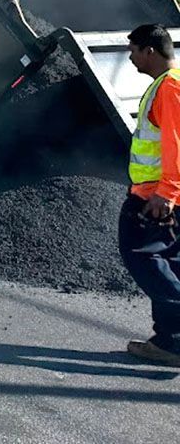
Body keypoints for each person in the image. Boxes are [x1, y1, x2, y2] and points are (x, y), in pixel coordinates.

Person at [120, 23, 180, 366]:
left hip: (156, 197)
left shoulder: (170, 89)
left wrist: (166, 193)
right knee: (168, 262)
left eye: (133, 51)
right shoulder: (169, 84)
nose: (130, 58)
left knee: (142, 257)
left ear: (150, 52)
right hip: (162, 193)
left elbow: (176, 143)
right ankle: (170, 343)